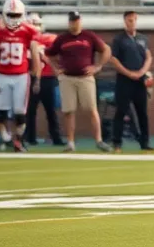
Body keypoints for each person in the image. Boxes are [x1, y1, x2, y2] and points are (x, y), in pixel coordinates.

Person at [45, 11, 111, 153]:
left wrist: (98, 66)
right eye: (72, 21)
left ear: (80, 21)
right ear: (68, 22)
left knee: (92, 109)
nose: (74, 23)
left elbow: (106, 50)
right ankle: (70, 142)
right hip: (67, 78)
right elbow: (49, 54)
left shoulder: (89, 36)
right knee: (69, 111)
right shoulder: (62, 38)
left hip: (85, 77)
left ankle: (99, 140)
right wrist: (56, 69)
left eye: (76, 20)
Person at [0, 0, 39, 152]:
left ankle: (18, 140)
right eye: (10, 15)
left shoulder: (28, 31)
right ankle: (0, 140)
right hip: (3, 75)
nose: (13, 19)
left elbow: (35, 54)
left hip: (21, 76)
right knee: (1, 113)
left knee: (20, 113)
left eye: (17, 15)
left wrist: (36, 77)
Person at [108, 11, 153, 153]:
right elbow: (113, 59)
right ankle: (117, 143)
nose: (131, 23)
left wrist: (142, 72)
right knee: (121, 111)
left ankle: (144, 143)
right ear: (124, 21)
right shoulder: (119, 39)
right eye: (128, 20)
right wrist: (128, 73)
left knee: (142, 113)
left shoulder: (143, 38)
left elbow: (148, 57)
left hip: (140, 81)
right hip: (124, 80)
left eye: (133, 20)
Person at [25, 12, 62, 147]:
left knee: (51, 110)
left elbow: (58, 55)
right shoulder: (24, 40)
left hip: (48, 77)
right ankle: (30, 137)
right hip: (30, 76)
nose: (35, 27)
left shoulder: (50, 38)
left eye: (37, 24)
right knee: (30, 110)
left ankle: (56, 137)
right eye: (32, 24)